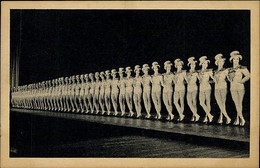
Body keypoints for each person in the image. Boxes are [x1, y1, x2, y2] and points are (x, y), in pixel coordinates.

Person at [227, 51, 250, 126]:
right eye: (234, 59)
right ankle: (241, 119)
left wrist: (242, 81)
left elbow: (248, 75)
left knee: (239, 103)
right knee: (237, 103)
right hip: (233, 88)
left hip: (240, 87)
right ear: (232, 60)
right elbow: (228, 78)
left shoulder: (241, 68)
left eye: (237, 59)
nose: (235, 61)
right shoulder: (229, 69)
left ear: (239, 60)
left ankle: (239, 119)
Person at [214, 54, 231, 124]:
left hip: (223, 87)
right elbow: (214, 80)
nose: (221, 63)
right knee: (219, 103)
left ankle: (221, 117)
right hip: (216, 88)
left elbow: (229, 78)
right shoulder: (215, 71)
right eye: (219, 62)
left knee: (222, 103)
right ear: (217, 62)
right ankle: (227, 117)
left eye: (222, 62)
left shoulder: (226, 70)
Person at [198, 56, 214, 123]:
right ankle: (209, 115)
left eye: (206, 64)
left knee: (208, 102)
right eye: (204, 63)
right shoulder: (199, 72)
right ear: (201, 64)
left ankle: (207, 117)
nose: (205, 65)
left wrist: (209, 81)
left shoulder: (209, 71)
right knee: (201, 102)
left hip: (207, 87)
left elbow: (214, 79)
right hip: (201, 88)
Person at [185, 57, 200, 122]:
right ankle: (196, 114)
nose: (193, 65)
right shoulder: (187, 73)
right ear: (190, 65)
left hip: (194, 88)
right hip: (189, 88)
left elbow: (200, 80)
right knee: (189, 102)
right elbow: (186, 80)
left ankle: (194, 116)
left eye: (194, 64)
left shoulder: (196, 72)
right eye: (192, 64)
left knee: (194, 102)